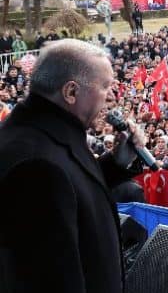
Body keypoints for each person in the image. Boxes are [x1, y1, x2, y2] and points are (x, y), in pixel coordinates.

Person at [0, 39, 144, 293]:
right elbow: (51, 279)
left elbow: (70, 190)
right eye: (106, 86)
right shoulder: (36, 166)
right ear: (71, 92)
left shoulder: (41, 133)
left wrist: (117, 163)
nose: (113, 95)